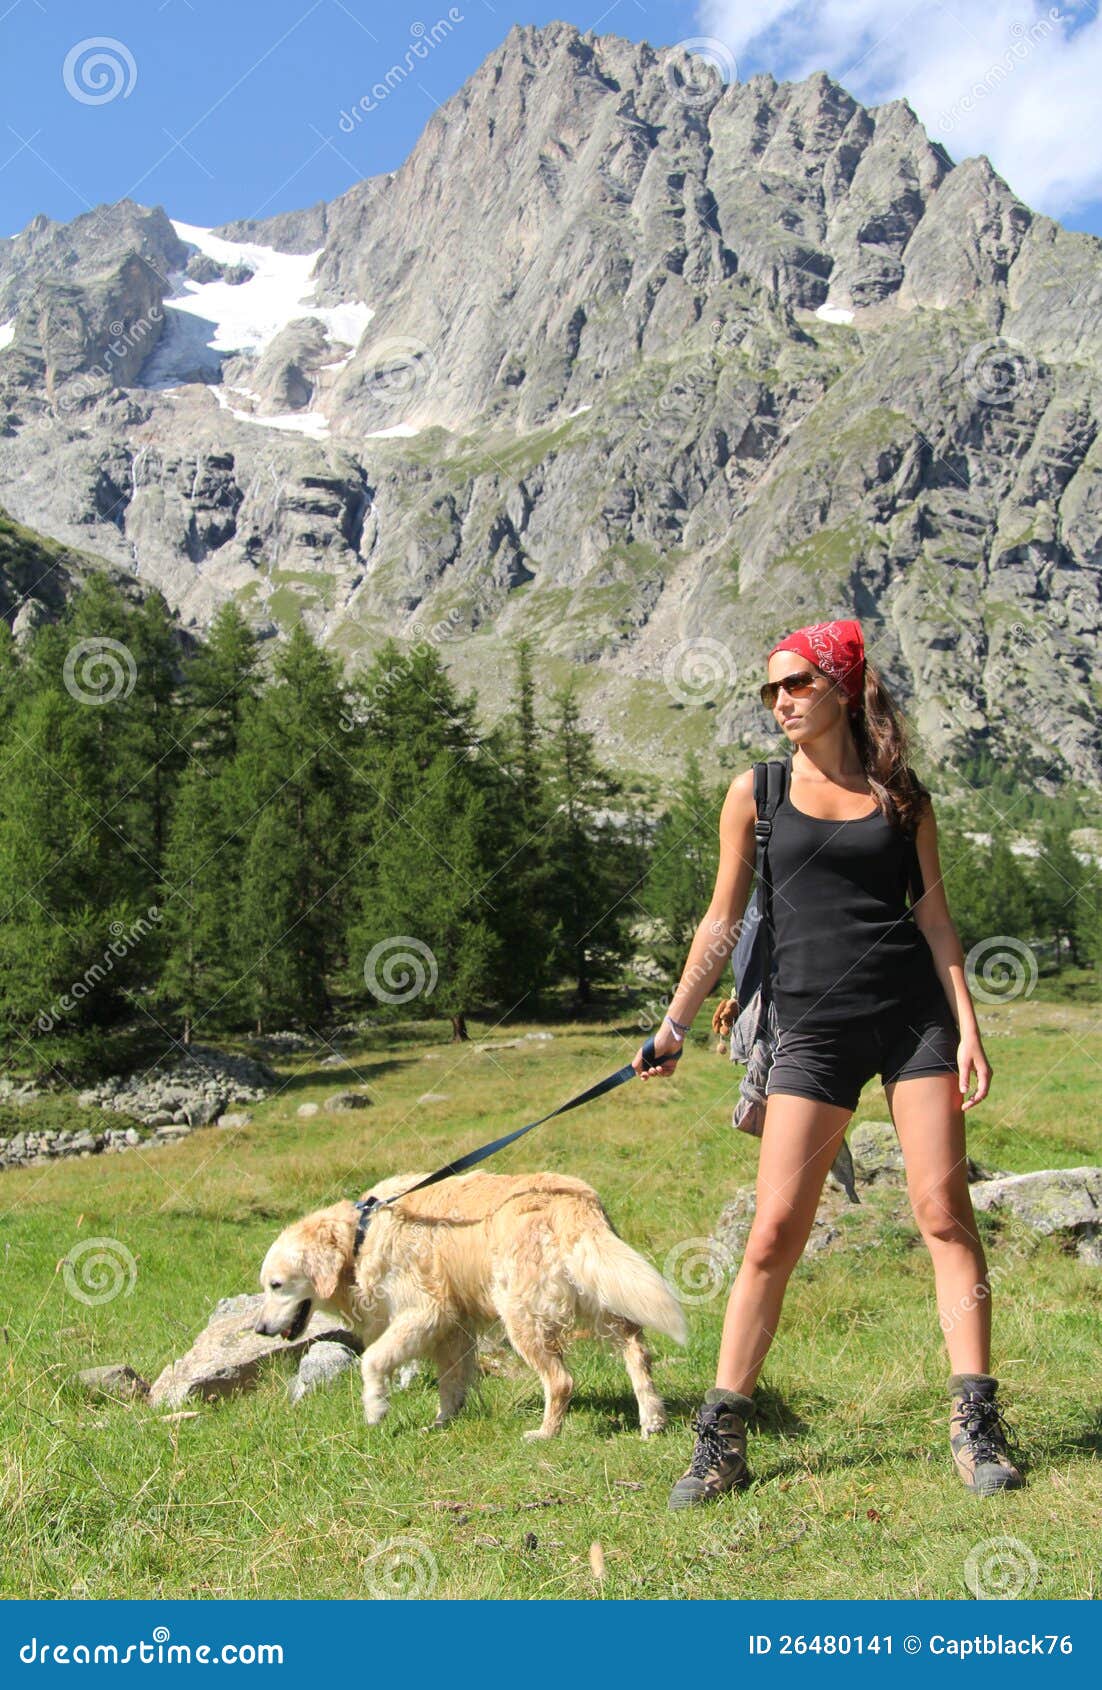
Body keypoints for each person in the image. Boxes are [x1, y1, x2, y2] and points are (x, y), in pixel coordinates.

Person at [631, 618, 1022, 1508]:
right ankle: (722, 1436)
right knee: (773, 1233)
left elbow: (935, 921)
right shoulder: (758, 793)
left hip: (912, 1021)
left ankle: (976, 1423)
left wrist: (967, 1026)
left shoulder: (902, 797)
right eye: (770, 689)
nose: (781, 701)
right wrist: (675, 1023)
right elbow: (720, 919)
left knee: (943, 1215)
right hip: (810, 1028)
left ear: (843, 687)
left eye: (797, 684)